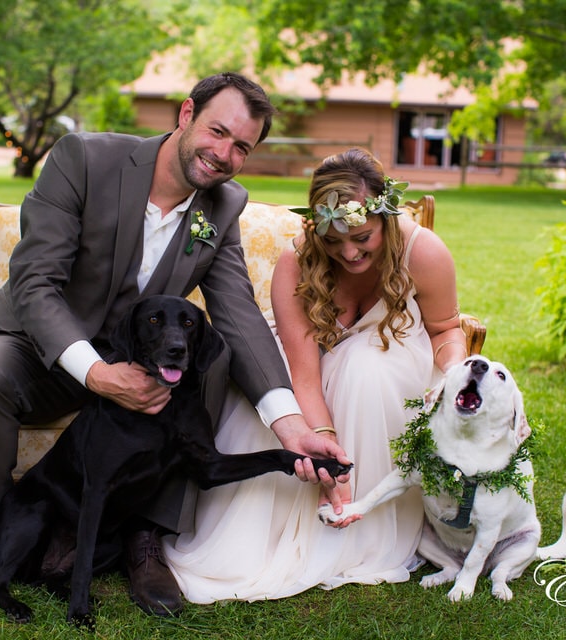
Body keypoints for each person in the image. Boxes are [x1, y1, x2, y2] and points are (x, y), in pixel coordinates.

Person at [0, 72, 351, 616]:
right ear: (186, 114)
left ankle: (147, 540)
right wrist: (96, 373)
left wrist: (292, 427)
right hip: (45, 352)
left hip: (144, 372)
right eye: (218, 131)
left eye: (242, 146)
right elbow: (35, 282)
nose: (224, 154)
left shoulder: (221, 206)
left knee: (212, 359)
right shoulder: (83, 160)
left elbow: (238, 314)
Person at [163, 147, 469, 602]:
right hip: (310, 361)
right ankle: (269, 533)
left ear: (385, 217)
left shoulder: (424, 252)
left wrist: (457, 378)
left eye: (362, 238)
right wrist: (325, 453)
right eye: (332, 240)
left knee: (367, 370)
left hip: (391, 355)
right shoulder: (298, 261)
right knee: (269, 390)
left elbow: (445, 329)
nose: (348, 253)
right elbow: (303, 372)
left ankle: (365, 528)